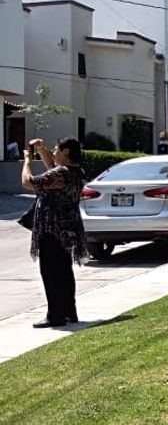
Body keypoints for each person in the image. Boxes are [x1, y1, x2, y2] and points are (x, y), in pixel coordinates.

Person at [21, 137, 87, 328]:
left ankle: (55, 316)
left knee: (50, 273)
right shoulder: (76, 171)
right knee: (64, 271)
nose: (54, 152)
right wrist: (42, 150)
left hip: (51, 228)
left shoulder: (60, 173)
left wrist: (27, 161)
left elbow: (28, 182)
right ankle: (68, 312)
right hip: (68, 229)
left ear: (66, 151)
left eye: (57, 149)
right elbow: (52, 167)